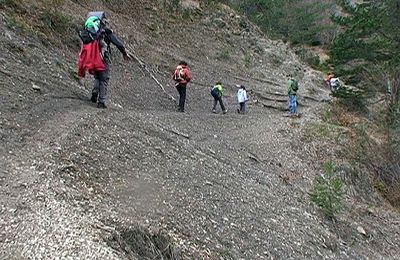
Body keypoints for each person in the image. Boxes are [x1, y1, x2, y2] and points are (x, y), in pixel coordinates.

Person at [78, 11, 131, 109]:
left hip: (93, 59)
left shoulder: (89, 33)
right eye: (105, 21)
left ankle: (95, 92)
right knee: (104, 79)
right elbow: (119, 44)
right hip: (104, 59)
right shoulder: (106, 33)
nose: (106, 22)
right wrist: (124, 54)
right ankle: (101, 102)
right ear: (102, 21)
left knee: (97, 77)